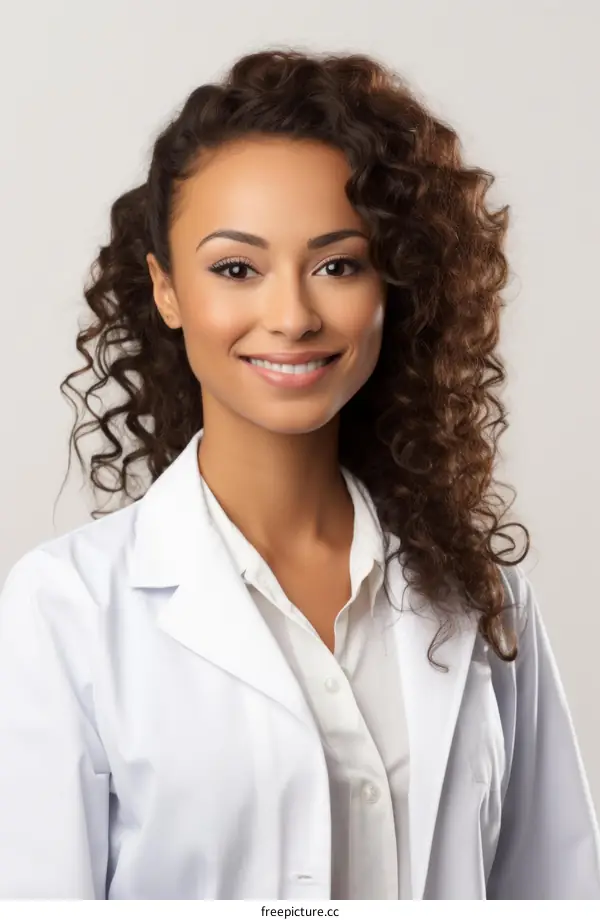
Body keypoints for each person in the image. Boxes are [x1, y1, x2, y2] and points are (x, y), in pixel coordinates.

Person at [0, 47, 598, 901]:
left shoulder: (484, 597)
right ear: (166, 291)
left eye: (338, 264)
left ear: (392, 286)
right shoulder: (65, 610)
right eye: (236, 268)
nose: (291, 316)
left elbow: (557, 895)